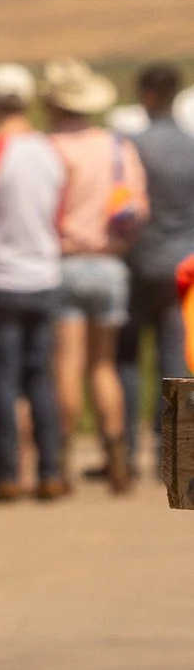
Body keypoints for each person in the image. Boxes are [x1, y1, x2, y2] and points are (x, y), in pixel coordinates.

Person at [0, 63, 67, 499]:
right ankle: (50, 470)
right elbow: (57, 217)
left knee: (1, 379)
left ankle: (4, 473)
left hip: (0, 278)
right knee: (39, 376)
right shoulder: (49, 151)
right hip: (45, 274)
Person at [42, 56, 146, 495]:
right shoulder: (116, 146)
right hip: (109, 263)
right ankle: (116, 456)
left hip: (64, 261)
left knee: (67, 365)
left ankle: (61, 461)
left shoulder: (48, 149)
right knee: (104, 367)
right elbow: (138, 208)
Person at [123, 62, 194, 473]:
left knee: (127, 358)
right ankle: (170, 454)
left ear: (149, 95)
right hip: (182, 267)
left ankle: (128, 453)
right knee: (173, 360)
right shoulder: (190, 144)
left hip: (139, 263)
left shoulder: (132, 145)